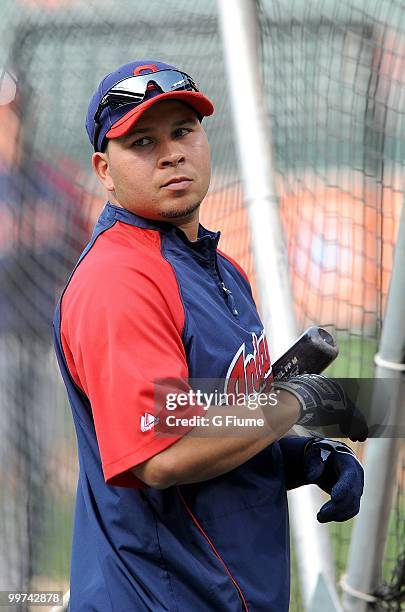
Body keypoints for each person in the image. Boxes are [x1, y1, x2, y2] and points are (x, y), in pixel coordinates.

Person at [53, 60, 367, 611]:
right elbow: (162, 453)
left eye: (183, 131)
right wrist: (295, 403)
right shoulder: (119, 279)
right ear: (105, 169)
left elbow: (214, 421)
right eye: (143, 141)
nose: (172, 153)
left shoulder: (221, 269)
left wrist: (302, 457)